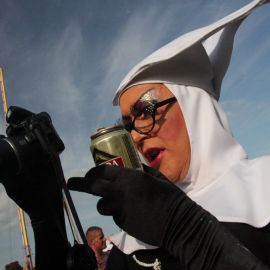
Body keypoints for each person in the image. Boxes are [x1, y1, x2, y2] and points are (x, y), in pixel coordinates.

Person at [1, 0, 270, 269]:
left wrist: (183, 228)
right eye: (127, 125)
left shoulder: (263, 190)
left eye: (145, 111)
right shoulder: (131, 242)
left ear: (195, 107)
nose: (135, 138)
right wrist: (46, 218)